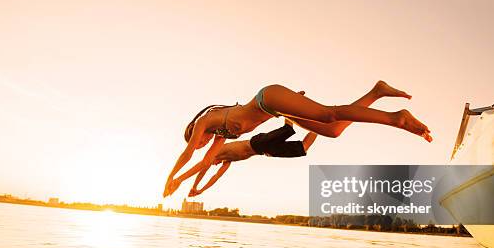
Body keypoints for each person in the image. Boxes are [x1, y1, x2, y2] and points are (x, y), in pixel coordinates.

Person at [164, 81, 432, 196]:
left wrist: (172, 177)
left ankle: (397, 118)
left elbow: (188, 156)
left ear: (193, 129)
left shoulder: (206, 120)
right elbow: (202, 164)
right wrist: (184, 184)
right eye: (198, 144)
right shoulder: (220, 137)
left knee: (328, 115)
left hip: (267, 98)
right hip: (276, 110)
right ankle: (377, 92)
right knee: (333, 130)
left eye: (194, 140)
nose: (197, 146)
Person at [172, 119, 318, 197]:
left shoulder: (217, 152)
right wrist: (202, 190)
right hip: (265, 151)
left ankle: (289, 109)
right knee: (303, 148)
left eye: (211, 163)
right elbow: (216, 177)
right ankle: (319, 127)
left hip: (257, 142)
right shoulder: (226, 160)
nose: (213, 165)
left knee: (288, 130)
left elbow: (202, 169)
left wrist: (194, 186)